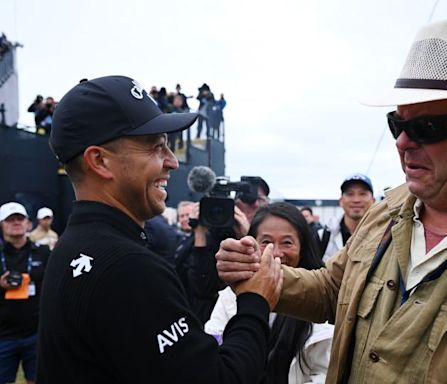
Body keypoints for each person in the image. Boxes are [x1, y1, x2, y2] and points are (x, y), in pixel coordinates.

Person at [216, 18, 447, 383]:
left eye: (427, 128)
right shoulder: (384, 214)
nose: (402, 142)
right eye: (396, 124)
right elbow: (330, 290)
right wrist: (259, 272)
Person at [36, 75, 283, 383]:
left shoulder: (70, 249)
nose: (172, 163)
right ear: (99, 161)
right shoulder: (128, 268)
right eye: (155, 148)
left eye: (168, 147)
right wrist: (254, 300)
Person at [206, 202, 332, 383]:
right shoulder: (229, 297)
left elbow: (324, 374)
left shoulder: (323, 301)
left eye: (287, 242)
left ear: (303, 247)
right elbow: (214, 346)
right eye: (266, 242)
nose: (276, 252)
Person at [0, 202, 50, 384]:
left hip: (35, 333)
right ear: (2, 224)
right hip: (3, 335)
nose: (16, 222)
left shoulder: (43, 252)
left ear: (29, 223)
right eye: (10, 220)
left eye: (20, 218)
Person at [320, 173, 375, 261]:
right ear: (341, 201)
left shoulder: (386, 235)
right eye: (350, 194)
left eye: (362, 194)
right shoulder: (322, 236)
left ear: (373, 200)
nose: (356, 200)